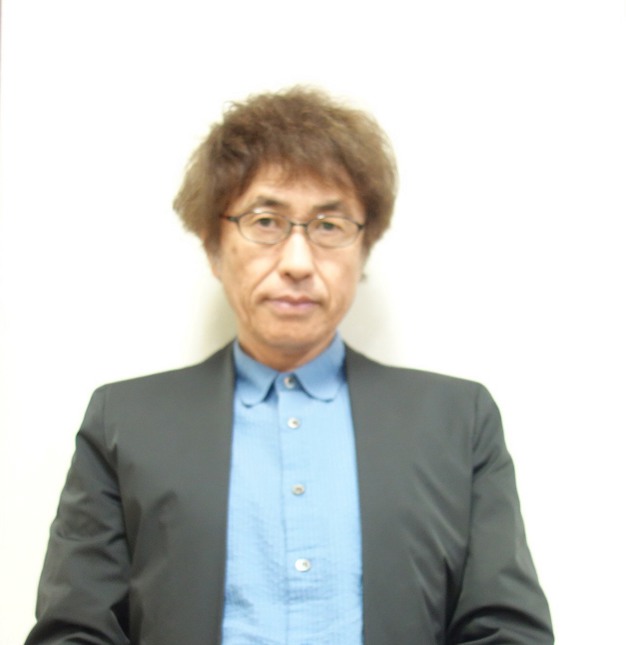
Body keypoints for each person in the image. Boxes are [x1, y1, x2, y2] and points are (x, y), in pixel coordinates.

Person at [26, 87, 553, 645]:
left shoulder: (457, 420)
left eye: (329, 226)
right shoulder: (125, 421)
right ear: (212, 245)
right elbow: (75, 631)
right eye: (265, 221)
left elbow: (506, 630)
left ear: (363, 246)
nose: (298, 262)